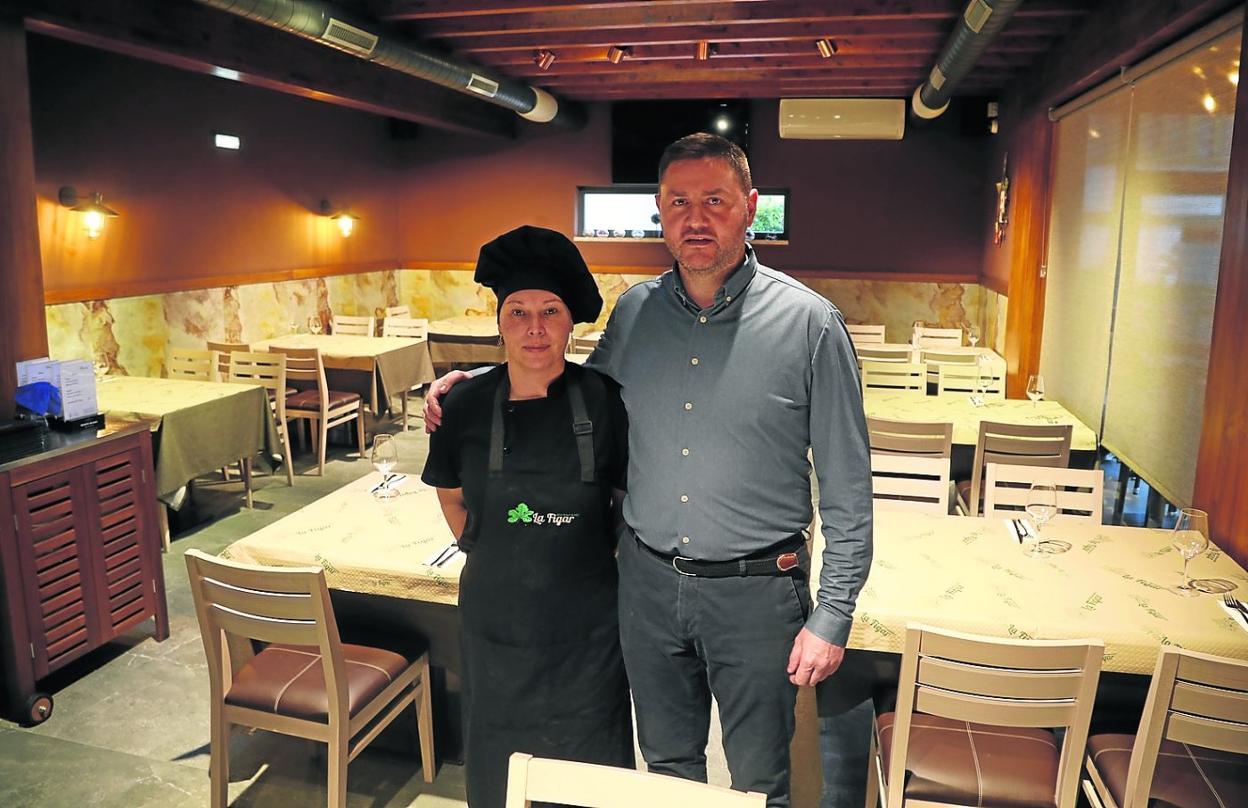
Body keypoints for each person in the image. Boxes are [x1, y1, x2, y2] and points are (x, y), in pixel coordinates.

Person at [427, 135, 872, 807]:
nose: (696, 219)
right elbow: (568, 388)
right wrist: (481, 383)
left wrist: (833, 613)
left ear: (750, 209)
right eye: (678, 204)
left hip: (756, 597)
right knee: (664, 769)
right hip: (645, 588)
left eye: (715, 201)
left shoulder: (810, 325)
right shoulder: (635, 313)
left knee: (759, 781)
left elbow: (848, 490)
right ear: (659, 215)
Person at [420, 226, 633, 808]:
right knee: (500, 763)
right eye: (517, 312)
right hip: (498, 627)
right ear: (499, 322)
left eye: (550, 311)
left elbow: (619, 501)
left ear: (569, 324)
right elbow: (450, 495)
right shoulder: (461, 405)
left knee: (592, 768)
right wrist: (493, 551)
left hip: (587, 631)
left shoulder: (605, 401)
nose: (534, 327)